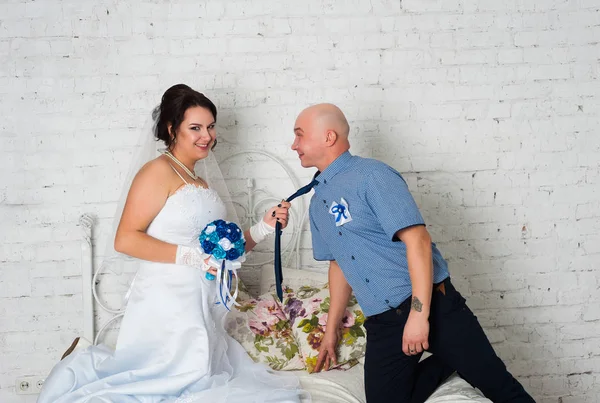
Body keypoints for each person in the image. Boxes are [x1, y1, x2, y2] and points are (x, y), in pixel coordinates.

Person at [37, 84, 304, 403]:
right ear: (171, 128)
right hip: (166, 300)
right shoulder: (157, 172)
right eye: (195, 127)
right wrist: (191, 258)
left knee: (201, 375)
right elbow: (125, 239)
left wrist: (263, 226)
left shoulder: (200, 182)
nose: (207, 135)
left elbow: (223, 254)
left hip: (199, 301)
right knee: (171, 381)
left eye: (210, 126)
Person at [290, 103, 535, 403]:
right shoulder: (317, 203)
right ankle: (450, 358)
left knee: (497, 385)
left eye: (299, 135)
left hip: (432, 305)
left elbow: (418, 241)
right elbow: (339, 266)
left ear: (328, 137)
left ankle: (458, 350)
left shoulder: (373, 175)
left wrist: (419, 318)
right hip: (383, 322)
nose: (294, 145)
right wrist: (331, 331)